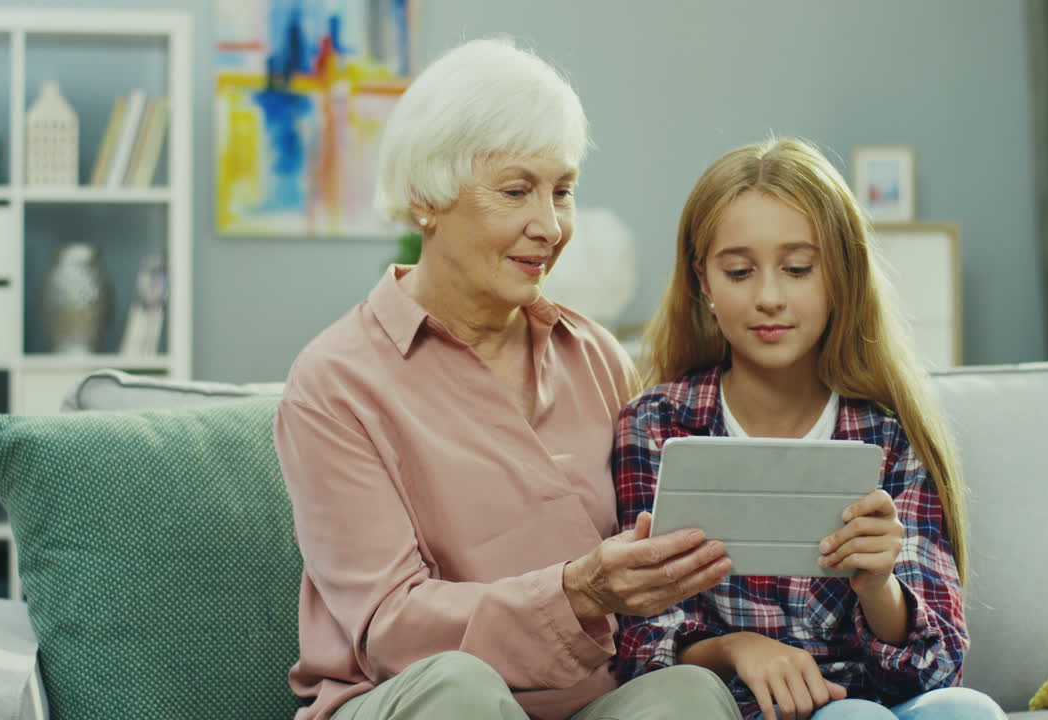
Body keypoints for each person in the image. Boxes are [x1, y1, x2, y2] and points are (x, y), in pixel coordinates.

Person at [273, 37, 742, 720]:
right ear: (426, 200)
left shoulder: (598, 358)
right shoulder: (334, 382)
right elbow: (391, 629)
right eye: (517, 191)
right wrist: (579, 592)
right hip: (413, 699)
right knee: (460, 688)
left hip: (585, 704)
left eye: (563, 191)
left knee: (688, 695)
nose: (549, 226)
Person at [613, 138, 1006, 720]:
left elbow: (938, 662)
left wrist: (878, 585)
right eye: (740, 272)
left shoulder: (888, 435)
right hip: (747, 705)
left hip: (877, 695)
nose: (769, 297)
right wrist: (735, 648)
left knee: (965, 709)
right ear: (703, 283)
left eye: (798, 269)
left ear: (839, 277)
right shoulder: (656, 425)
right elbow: (640, 639)